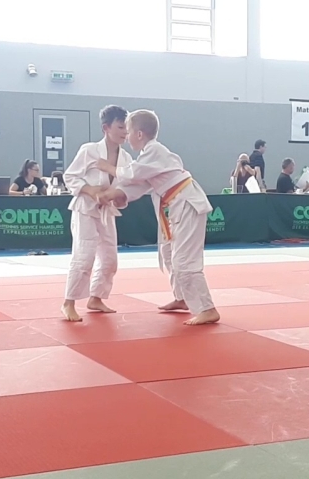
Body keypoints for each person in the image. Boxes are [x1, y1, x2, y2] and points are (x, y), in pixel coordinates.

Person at [97, 110, 219, 326]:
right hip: (176, 206)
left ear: (140, 134)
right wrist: (115, 195)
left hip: (187, 204)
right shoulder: (150, 157)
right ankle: (182, 297)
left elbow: (133, 174)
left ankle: (207, 309)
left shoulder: (154, 151)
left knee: (184, 260)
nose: (126, 136)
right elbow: (139, 185)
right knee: (168, 253)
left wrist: (108, 168)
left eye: (129, 131)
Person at [59, 105, 133, 322]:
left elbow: (125, 189)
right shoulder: (89, 150)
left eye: (127, 128)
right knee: (84, 256)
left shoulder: (126, 158)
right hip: (85, 209)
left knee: (110, 259)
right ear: (106, 128)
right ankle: (68, 302)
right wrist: (91, 191)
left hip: (106, 212)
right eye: (120, 127)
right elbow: (70, 176)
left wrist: (119, 198)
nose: (125, 132)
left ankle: (96, 297)